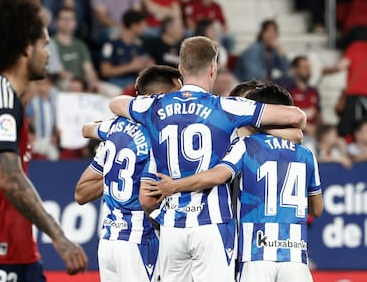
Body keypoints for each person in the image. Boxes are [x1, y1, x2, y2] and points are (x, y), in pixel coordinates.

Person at [109, 36, 306, 282]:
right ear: (213, 69)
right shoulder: (227, 108)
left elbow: (116, 103)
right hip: (211, 224)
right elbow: (296, 117)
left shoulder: (154, 106)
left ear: (180, 70)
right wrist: (246, 128)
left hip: (171, 226)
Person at [0, 0, 88, 281]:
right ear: (26, 47)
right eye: (44, 44)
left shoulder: (3, 97)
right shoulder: (0, 99)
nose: (48, 54)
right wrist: (59, 236)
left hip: (18, 253)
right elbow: (10, 178)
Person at [143, 83, 323, 282]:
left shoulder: (245, 145)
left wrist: (175, 185)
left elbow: (218, 176)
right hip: (296, 258)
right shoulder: (307, 154)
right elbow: (316, 209)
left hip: (254, 254)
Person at [75, 65, 183, 282]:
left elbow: (81, 193)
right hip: (139, 241)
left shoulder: (114, 130)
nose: (181, 103)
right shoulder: (159, 133)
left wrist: (119, 170)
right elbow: (146, 200)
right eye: (177, 95)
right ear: (159, 97)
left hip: (109, 244)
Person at [100, 9, 153, 92]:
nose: (145, 28)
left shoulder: (138, 45)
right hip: (115, 83)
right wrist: (130, 67)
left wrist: (147, 66)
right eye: (143, 25)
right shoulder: (111, 44)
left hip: (133, 82)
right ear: (133, 25)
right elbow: (105, 71)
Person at [52, 6, 100, 93]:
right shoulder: (51, 44)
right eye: (64, 19)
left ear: (75, 23)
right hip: (60, 83)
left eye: (70, 19)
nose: (67, 22)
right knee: (75, 86)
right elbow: (60, 72)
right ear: (56, 22)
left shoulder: (80, 45)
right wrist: (81, 83)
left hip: (81, 82)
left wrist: (93, 83)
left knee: (114, 92)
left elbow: (89, 69)